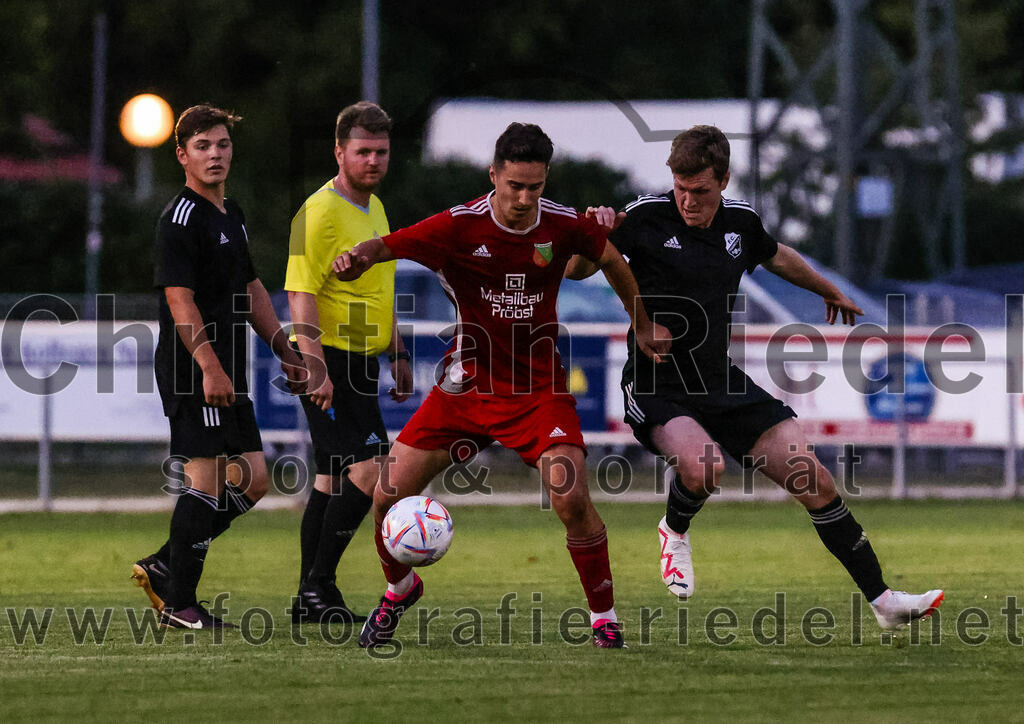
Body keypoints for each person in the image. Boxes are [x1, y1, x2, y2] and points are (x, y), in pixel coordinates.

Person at [566, 124, 943, 630]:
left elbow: (774, 254)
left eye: (699, 191)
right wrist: (595, 232)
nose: (687, 201)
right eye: (680, 188)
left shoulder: (739, 222)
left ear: (724, 180)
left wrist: (826, 289)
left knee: (816, 479)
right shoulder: (643, 217)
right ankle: (674, 530)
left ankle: (884, 603)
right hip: (657, 382)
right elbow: (575, 270)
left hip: (720, 380)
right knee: (704, 468)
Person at [333, 122, 671, 649]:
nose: (523, 198)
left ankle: (604, 617)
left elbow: (608, 258)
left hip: (537, 392)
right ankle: (400, 588)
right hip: (464, 389)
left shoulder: (561, 225)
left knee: (571, 498)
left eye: (535, 187)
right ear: (494, 175)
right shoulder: (458, 226)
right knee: (386, 497)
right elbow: (388, 245)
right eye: (514, 185)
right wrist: (356, 258)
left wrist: (643, 323)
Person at [131, 104, 305, 629]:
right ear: (182, 155)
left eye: (222, 144)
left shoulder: (233, 213)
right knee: (204, 484)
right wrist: (208, 365)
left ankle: (167, 561)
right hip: (194, 367)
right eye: (203, 146)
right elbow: (180, 301)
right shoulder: (179, 218)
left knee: (254, 481)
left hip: (228, 367)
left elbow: (251, 289)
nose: (215, 154)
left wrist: (285, 348)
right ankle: (181, 605)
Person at [284, 101, 412, 624]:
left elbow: (382, 288)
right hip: (327, 358)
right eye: (363, 151)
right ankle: (319, 585)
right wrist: (315, 367)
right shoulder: (316, 211)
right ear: (340, 152)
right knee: (371, 469)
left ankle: (308, 599)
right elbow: (299, 293)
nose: (373, 161)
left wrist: (398, 351)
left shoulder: (374, 208)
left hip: (362, 360)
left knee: (333, 478)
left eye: (381, 151)